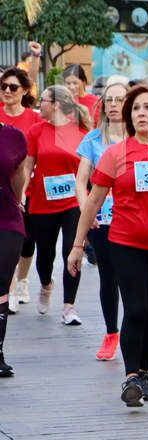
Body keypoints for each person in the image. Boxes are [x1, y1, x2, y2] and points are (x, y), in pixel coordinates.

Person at [67, 84, 148, 407]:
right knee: (135, 307)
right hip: (125, 241)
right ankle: (131, 375)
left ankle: (145, 371)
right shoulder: (116, 153)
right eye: (135, 109)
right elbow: (93, 201)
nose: (140, 114)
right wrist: (78, 245)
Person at [22, 85, 91, 324]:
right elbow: (28, 165)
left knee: (71, 251)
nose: (39, 104)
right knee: (45, 256)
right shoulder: (36, 131)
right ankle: (45, 285)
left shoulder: (80, 132)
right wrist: (22, 192)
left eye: (42, 100)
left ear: (56, 104)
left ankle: (69, 306)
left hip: (73, 201)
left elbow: (89, 169)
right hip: (42, 202)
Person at [73, 80, 128, 360]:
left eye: (120, 100)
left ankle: (134, 330)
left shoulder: (141, 138)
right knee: (109, 277)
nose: (115, 105)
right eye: (110, 100)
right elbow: (81, 181)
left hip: (133, 220)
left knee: (133, 277)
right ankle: (111, 333)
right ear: (103, 106)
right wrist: (87, 212)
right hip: (102, 220)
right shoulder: (93, 140)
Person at [1, 67, 41, 313]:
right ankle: (11, 286)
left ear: (24, 91)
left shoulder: (33, 119)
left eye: (13, 87)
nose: (7, 91)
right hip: (6, 191)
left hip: (31, 187)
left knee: (28, 242)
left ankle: (23, 280)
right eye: (3, 86)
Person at [0, 122, 28, 376]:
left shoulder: (13, 137)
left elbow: (19, 175)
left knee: (0, 284)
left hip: (6, 219)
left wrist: (18, 201)